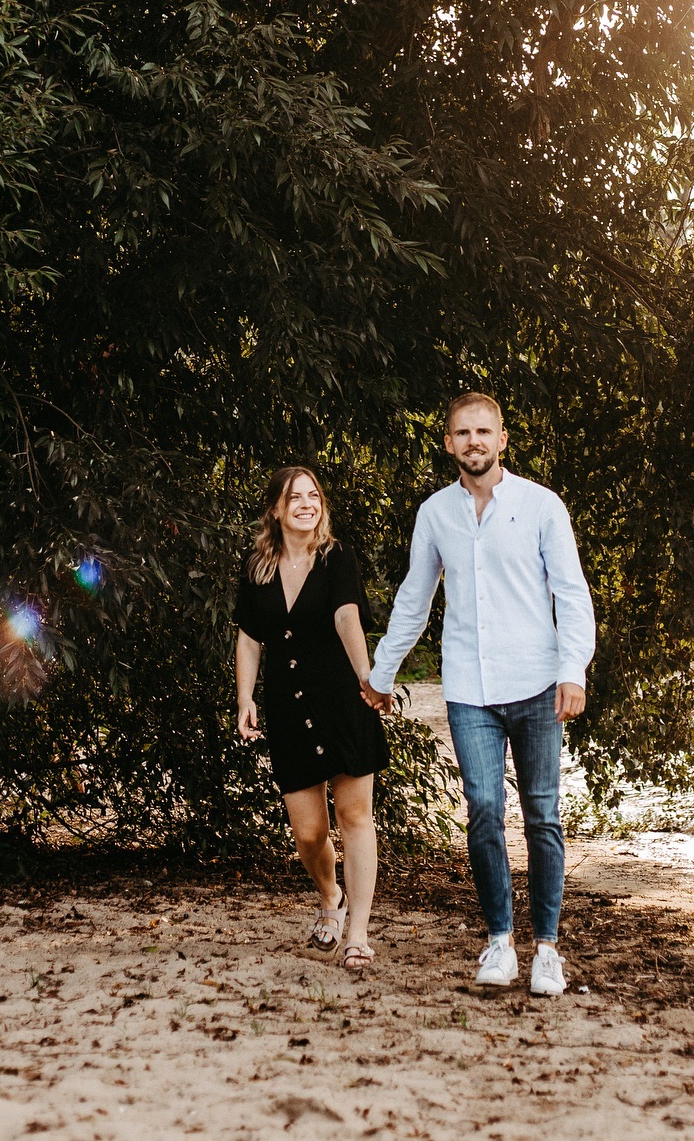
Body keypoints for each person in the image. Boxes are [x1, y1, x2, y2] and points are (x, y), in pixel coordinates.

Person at [362, 394, 595, 997]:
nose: (474, 441)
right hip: (470, 689)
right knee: (485, 813)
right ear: (448, 443)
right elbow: (415, 598)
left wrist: (574, 670)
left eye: (483, 431)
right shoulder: (436, 514)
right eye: (462, 432)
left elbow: (571, 595)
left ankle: (546, 947)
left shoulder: (543, 507)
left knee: (542, 815)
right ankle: (499, 941)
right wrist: (381, 674)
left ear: (502, 440)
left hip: (540, 685)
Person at [235, 466, 389, 971]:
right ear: (276, 510)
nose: (306, 503)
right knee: (307, 832)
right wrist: (245, 698)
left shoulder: (336, 557)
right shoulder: (257, 566)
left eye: (313, 495)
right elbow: (249, 637)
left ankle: (359, 935)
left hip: (343, 701)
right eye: (294, 497)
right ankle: (331, 899)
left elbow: (347, 615)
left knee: (355, 817)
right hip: (288, 705)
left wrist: (367, 676)